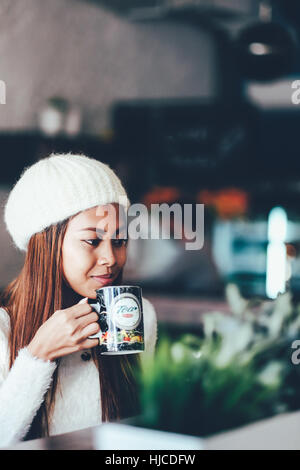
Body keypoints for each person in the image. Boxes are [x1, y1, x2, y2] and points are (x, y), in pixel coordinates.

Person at [0, 153, 158, 447]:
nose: (111, 258)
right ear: (46, 244)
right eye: (92, 240)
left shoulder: (139, 317)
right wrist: (37, 357)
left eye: (119, 241)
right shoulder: (4, 329)